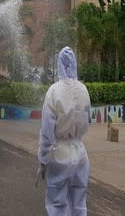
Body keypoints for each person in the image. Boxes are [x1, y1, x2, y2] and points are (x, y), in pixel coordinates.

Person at [36, 46, 91, 216]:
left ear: (59, 64)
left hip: (59, 154)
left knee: (57, 205)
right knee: (79, 203)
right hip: (80, 153)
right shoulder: (83, 89)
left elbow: (47, 132)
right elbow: (88, 119)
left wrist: (43, 160)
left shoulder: (54, 91)